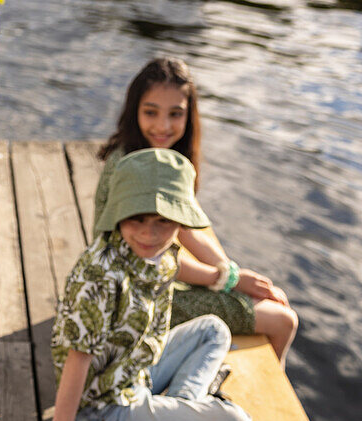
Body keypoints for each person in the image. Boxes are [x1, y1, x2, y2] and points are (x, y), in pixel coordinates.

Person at [23, 148, 251, 421]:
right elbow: (78, 360)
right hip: (103, 407)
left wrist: (224, 278)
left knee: (214, 330)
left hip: (137, 370)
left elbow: (173, 263)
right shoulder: (98, 276)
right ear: (118, 212)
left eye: (164, 221)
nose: (150, 234)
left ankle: (178, 407)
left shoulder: (164, 252)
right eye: (137, 218)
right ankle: (180, 414)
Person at [95, 57, 299, 366]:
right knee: (284, 320)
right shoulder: (132, 167)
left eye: (175, 114)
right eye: (151, 112)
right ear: (134, 110)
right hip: (131, 295)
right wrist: (225, 279)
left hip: (146, 278)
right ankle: (274, 402)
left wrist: (229, 271)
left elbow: (182, 229)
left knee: (270, 298)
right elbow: (146, 255)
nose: (163, 126)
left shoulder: (162, 156)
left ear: (189, 116)